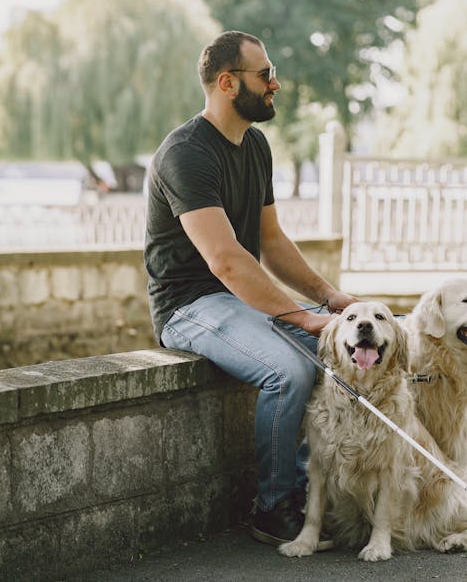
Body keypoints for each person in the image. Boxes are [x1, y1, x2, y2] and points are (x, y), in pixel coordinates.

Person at [144, 30, 358, 550]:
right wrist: (300, 316)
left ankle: (320, 496)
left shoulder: (255, 144)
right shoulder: (185, 154)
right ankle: (274, 507)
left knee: (343, 351)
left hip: (236, 299)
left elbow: (270, 242)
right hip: (189, 305)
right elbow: (226, 260)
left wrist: (330, 299)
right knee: (288, 371)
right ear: (226, 82)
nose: (275, 84)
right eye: (265, 75)